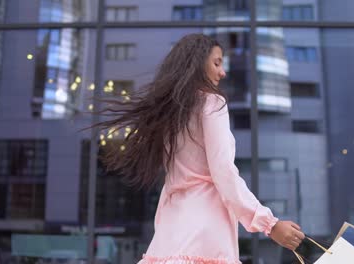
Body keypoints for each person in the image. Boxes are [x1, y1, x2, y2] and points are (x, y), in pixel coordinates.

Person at [85, 33, 305, 263]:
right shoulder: (212, 103)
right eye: (217, 63)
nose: (223, 72)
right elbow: (224, 173)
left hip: (172, 224)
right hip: (205, 227)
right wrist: (269, 224)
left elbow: (174, 180)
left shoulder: (172, 115)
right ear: (197, 63)